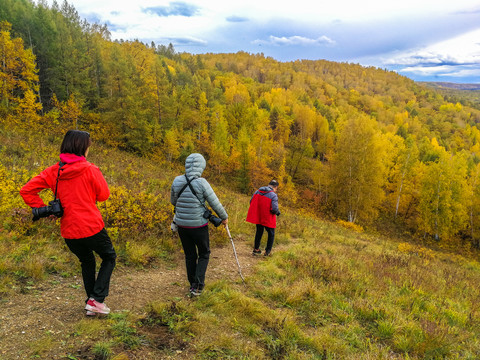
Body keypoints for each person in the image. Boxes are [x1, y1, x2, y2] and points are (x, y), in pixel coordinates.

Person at [20, 130, 116, 316]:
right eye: (88, 146)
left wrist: (43, 209)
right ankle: (96, 300)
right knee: (109, 257)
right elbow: (104, 196)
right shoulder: (90, 169)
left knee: (87, 261)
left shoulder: (53, 171)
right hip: (91, 226)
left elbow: (26, 191)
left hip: (69, 231)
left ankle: (91, 303)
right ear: (82, 147)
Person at [170, 153, 228, 296]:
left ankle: (192, 285)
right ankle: (198, 286)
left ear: (186, 165)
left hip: (182, 225)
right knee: (204, 253)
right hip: (198, 226)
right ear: (201, 166)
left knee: (190, 255)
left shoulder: (177, 180)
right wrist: (224, 217)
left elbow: (173, 201)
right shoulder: (202, 183)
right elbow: (215, 203)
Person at [246, 180, 281, 256]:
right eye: (276, 188)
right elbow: (274, 209)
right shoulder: (273, 195)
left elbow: (251, 201)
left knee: (259, 232)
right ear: (275, 187)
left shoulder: (257, 191)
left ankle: (256, 249)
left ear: (269, 185)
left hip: (259, 216)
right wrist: (278, 212)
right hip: (268, 217)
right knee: (271, 234)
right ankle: (267, 252)